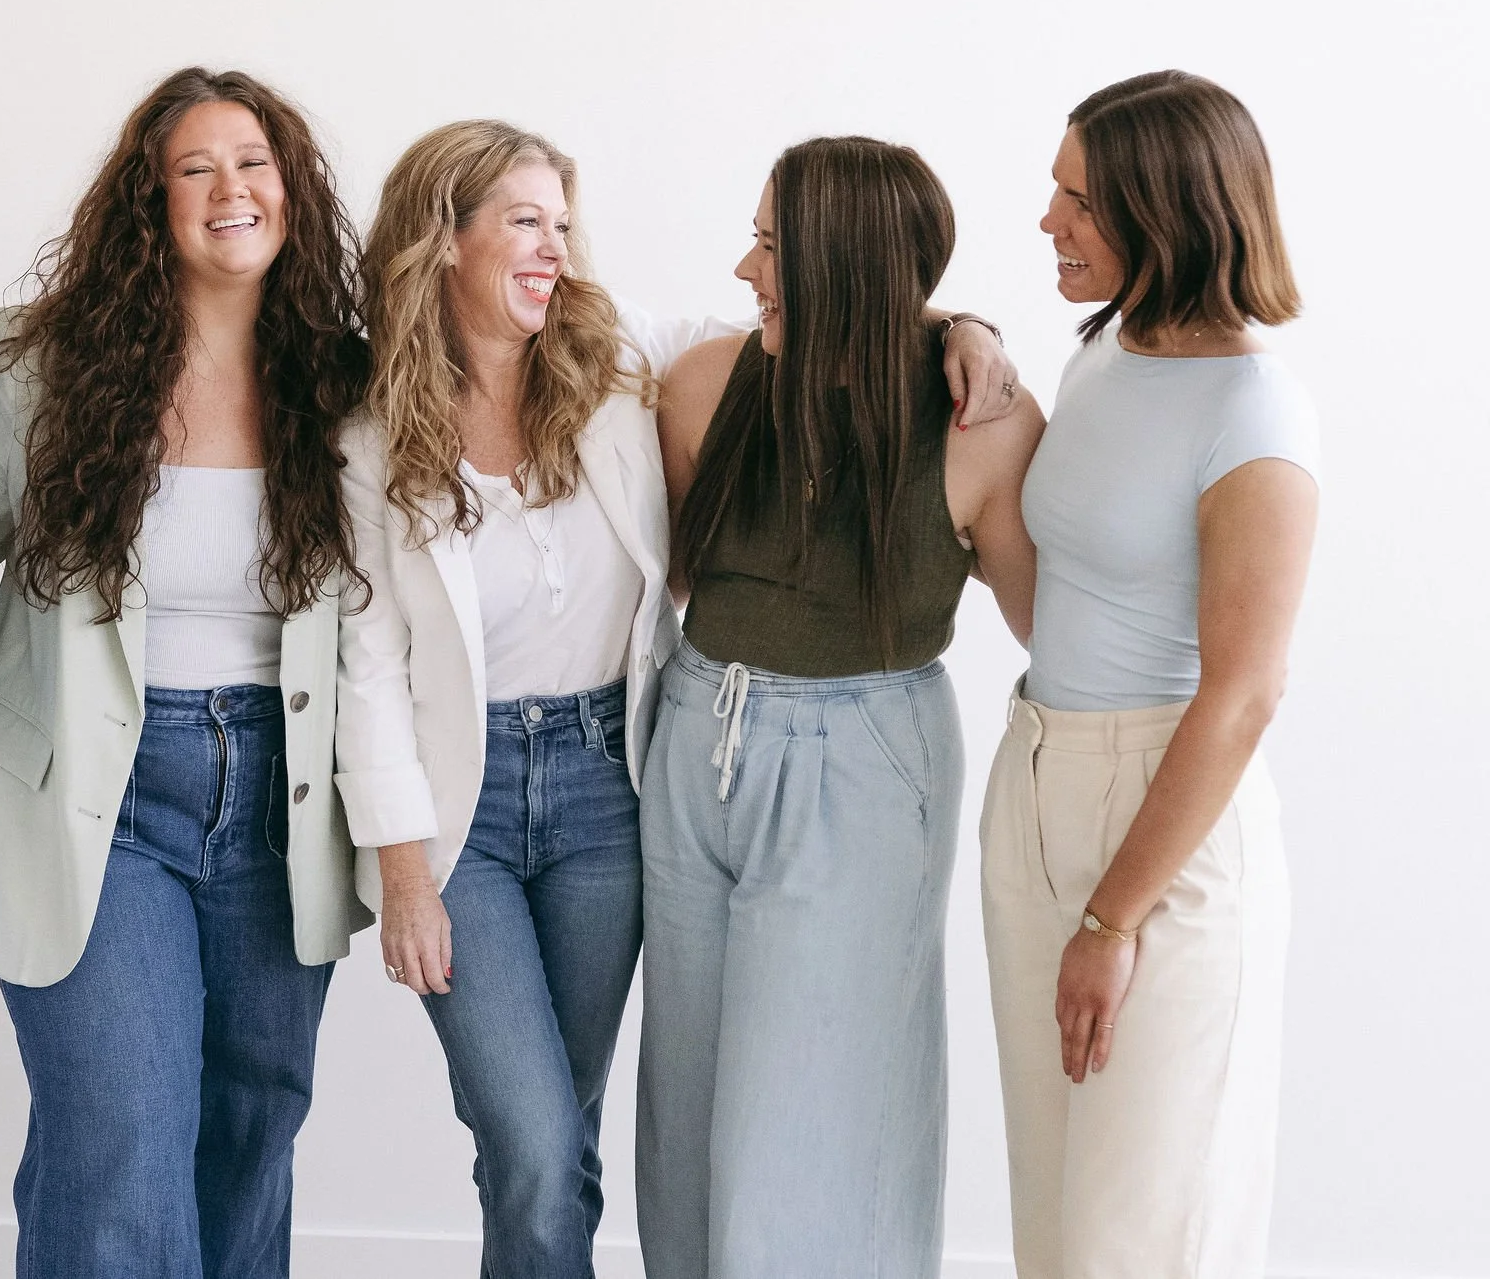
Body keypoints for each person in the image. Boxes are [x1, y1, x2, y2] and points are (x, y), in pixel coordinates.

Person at [338, 120, 1022, 1277]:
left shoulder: (612, 363)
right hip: (477, 809)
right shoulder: (365, 433)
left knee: (595, 1129)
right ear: (439, 241)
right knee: (545, 1139)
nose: (555, 248)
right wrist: (401, 870)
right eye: (523, 222)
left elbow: (831, 317)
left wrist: (962, 324)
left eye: (562, 223)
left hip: (613, 784)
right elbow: (363, 666)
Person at [0, 67, 370, 1279]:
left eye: (255, 164)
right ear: (150, 203)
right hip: (99, 796)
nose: (231, 189)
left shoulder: (342, 382)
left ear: (291, 191)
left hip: (283, 804)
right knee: (120, 1138)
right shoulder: (43, 368)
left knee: (253, 1126)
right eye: (196, 168)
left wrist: (948, 327)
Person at [640, 136, 1045, 1279]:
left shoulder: (982, 426)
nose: (741, 265)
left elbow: (1050, 632)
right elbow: (674, 576)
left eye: (770, 243)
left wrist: (966, 337)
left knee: (813, 1125)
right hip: (693, 736)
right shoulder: (701, 386)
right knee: (690, 1123)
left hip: (863, 762)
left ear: (846, 263)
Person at [980, 70, 1318, 1279]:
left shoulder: (1251, 410)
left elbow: (1242, 694)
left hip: (1165, 827)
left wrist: (1113, 916)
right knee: (1056, 1228)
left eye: (1076, 199)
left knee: (1145, 1238)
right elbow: (1062, 601)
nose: (1045, 221)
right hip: (1035, 780)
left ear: (1165, 215)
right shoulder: (1101, 355)